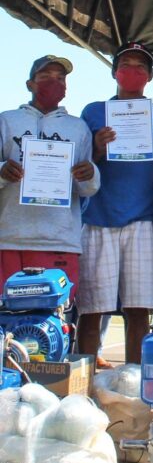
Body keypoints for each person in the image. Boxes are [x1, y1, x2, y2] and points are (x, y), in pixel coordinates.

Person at [78, 41, 153, 364]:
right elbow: (80, 165)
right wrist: (97, 148)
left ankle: (134, 381)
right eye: (126, 65)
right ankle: (83, 383)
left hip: (143, 221)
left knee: (139, 310)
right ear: (114, 72)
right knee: (91, 309)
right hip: (98, 219)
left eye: (140, 67)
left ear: (150, 76)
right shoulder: (93, 111)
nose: (132, 71)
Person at [0, 55, 99, 290]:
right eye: (45, 77)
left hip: (60, 239)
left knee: (51, 318)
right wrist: (2, 171)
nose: (54, 83)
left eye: (60, 78)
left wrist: (90, 173)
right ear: (30, 84)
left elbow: (88, 189)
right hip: (9, 238)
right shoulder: (6, 121)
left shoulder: (78, 127)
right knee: (7, 317)